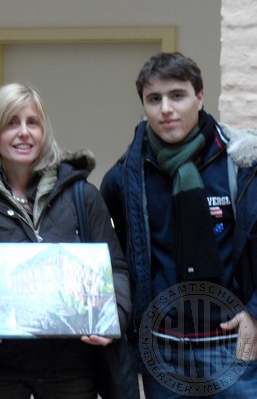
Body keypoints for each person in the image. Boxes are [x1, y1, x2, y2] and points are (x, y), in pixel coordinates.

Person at [0, 83, 135, 399]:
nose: (24, 133)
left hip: (71, 368)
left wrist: (112, 316)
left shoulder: (82, 196)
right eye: (11, 123)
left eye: (32, 122)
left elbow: (115, 266)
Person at [100, 52, 257, 398]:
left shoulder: (241, 165)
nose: (166, 109)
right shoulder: (124, 177)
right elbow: (118, 261)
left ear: (200, 97)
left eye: (177, 95)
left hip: (233, 347)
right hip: (163, 352)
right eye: (154, 99)